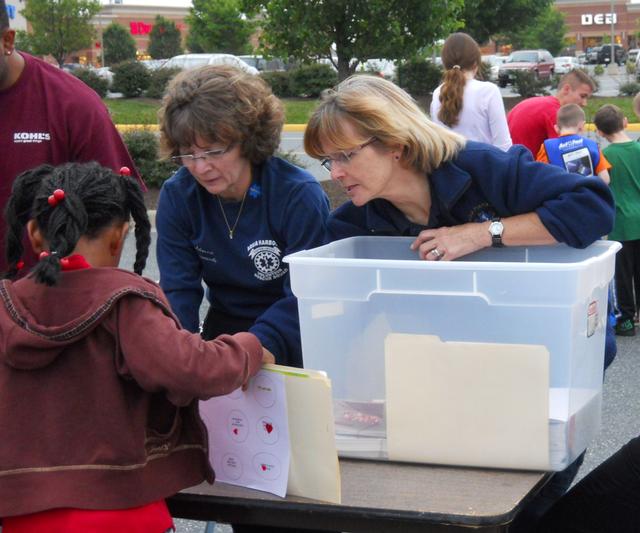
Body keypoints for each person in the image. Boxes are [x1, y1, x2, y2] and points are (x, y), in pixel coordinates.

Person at [302, 74, 615, 532]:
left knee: (525, 508)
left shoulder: (483, 167)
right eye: (328, 161)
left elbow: (592, 206)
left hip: (551, 373)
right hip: (453, 382)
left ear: (397, 144)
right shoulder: (354, 224)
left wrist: (484, 233)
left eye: (345, 155)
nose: (336, 173)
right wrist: (257, 348)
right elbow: (315, 303)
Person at [0, 161, 273, 532]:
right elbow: (191, 368)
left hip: (25, 518)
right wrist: (251, 347)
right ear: (119, 237)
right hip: (125, 513)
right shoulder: (124, 302)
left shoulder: (6, 306)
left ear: (33, 234)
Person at [156, 65, 330, 369]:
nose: (200, 167)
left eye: (214, 151)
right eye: (188, 153)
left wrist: (255, 350)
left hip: (292, 333)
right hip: (224, 331)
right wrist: (178, 355)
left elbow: (305, 297)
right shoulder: (178, 196)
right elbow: (178, 289)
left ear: (248, 139)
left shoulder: (298, 195)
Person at [0, 0, 142, 274]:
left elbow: (114, 210)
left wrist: (84, 299)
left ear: (7, 41)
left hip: (50, 300)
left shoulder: (73, 105)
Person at [594, 104, 640, 337]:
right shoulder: (639, 148)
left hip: (621, 223)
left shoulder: (607, 156)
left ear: (600, 132)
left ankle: (627, 321)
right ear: (624, 122)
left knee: (623, 275)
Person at [430, 32, 511, 151]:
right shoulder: (488, 91)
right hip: (484, 167)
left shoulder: (438, 93)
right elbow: (504, 146)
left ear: (445, 63)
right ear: (475, 63)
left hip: (449, 168)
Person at [508, 69, 596, 155]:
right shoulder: (556, 113)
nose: (585, 103)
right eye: (582, 96)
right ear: (567, 89)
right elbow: (567, 153)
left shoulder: (541, 104)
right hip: (522, 166)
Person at [536, 103, 610, 183]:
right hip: (588, 193)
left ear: (556, 128)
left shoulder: (547, 147)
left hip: (561, 194)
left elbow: (539, 177)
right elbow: (605, 179)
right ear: (582, 126)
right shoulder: (592, 145)